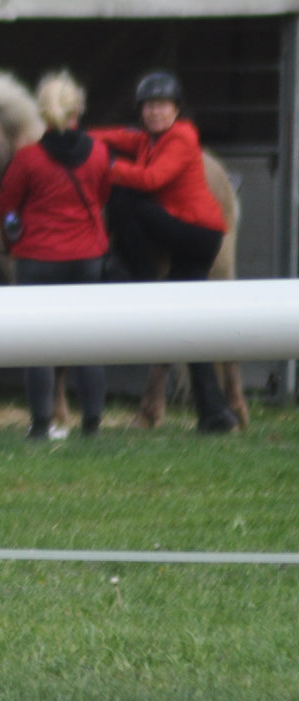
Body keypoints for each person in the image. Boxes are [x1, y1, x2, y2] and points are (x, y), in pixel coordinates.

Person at [91, 71, 237, 434]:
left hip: (197, 235)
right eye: (149, 107)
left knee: (128, 199)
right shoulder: (146, 139)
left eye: (162, 106)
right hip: (188, 234)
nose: (154, 113)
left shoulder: (181, 139)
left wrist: (108, 167)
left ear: (176, 110)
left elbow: (152, 180)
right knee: (184, 325)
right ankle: (215, 415)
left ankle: (139, 277)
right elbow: (107, 135)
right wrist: (72, 137)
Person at [0, 71, 112, 440]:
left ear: (42, 113)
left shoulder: (28, 159)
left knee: (39, 342)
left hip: (38, 259)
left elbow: (8, 207)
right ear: (78, 109)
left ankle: (41, 422)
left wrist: (14, 237)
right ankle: (92, 422)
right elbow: (103, 195)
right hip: (87, 256)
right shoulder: (99, 153)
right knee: (87, 341)